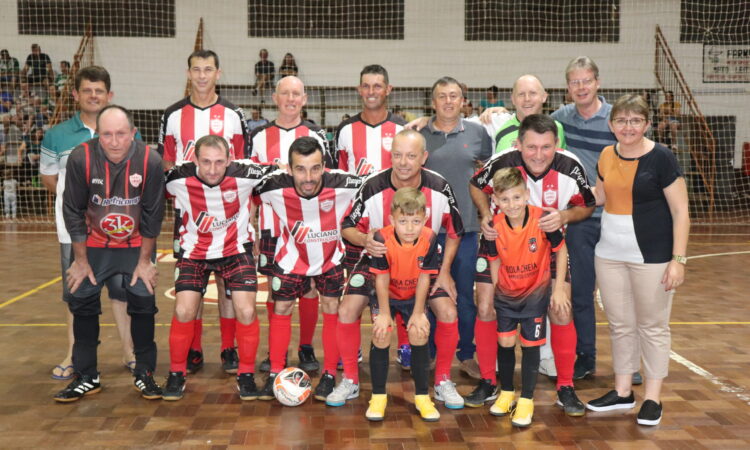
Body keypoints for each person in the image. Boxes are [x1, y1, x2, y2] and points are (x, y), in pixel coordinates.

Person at [329, 129, 464, 411]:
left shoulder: (440, 186)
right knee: (346, 309)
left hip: (423, 263)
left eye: (411, 156)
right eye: (398, 155)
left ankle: (441, 381)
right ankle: (351, 380)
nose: (403, 162)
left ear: (424, 158)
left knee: (449, 311)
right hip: (377, 261)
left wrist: (445, 271)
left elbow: (455, 231)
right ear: (391, 155)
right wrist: (366, 239)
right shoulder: (371, 185)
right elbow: (347, 228)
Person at [469, 114, 594, 414]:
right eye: (531, 147)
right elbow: (476, 185)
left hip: (548, 249)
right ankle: (489, 381)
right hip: (501, 247)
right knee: (485, 305)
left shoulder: (570, 167)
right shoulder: (502, 161)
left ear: (556, 145)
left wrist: (564, 217)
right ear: (519, 144)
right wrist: (485, 212)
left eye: (546, 147)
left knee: (561, 309)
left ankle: (565, 387)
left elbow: (587, 205)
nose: (538, 154)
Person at [586, 94, 689, 426]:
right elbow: (600, 195)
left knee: (652, 326)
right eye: (621, 120)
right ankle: (622, 392)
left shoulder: (662, 157)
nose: (627, 127)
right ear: (611, 124)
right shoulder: (605, 154)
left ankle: (653, 398)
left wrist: (678, 260)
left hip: (653, 256)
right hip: (610, 254)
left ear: (646, 123)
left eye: (634, 121)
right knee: (620, 325)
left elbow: (681, 212)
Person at [54, 105, 165, 402]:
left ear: (133, 133)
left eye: (120, 134)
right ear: (98, 136)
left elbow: (154, 214)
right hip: (94, 245)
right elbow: (73, 210)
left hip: (134, 245)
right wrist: (79, 260)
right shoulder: (81, 158)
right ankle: (87, 376)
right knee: (81, 298)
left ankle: (145, 373)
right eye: (106, 135)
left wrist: (145, 262)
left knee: (143, 300)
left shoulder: (150, 161)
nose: (114, 141)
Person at [40, 68, 140, 382]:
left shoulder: (125, 132)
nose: (93, 95)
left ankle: (130, 352)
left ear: (109, 95)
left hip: (120, 232)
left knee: (123, 292)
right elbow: (49, 178)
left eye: (99, 90)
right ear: (76, 95)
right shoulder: (57, 135)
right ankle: (74, 355)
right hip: (75, 232)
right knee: (77, 291)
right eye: (87, 90)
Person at [158, 49, 251, 376]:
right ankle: (193, 350)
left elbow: (243, 168)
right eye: (196, 69)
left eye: (207, 69)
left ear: (218, 73)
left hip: (227, 220)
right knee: (190, 288)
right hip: (189, 220)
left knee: (229, 289)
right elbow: (167, 164)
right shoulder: (171, 115)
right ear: (188, 73)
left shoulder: (233, 114)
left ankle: (229, 348)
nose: (201, 75)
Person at [163, 135, 275, 401]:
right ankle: (177, 372)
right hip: (194, 252)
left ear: (230, 159)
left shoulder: (247, 173)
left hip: (235, 250)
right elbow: (145, 192)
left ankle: (246, 374)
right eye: (206, 162)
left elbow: (283, 171)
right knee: (183, 308)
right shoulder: (176, 177)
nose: (212, 169)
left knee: (246, 309)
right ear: (194, 159)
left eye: (219, 162)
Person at [253, 136, 362, 402]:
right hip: (291, 257)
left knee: (331, 307)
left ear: (324, 165)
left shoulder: (344, 183)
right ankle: (274, 373)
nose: (309, 177)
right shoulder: (272, 186)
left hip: (331, 258)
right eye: (300, 169)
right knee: (281, 308)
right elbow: (238, 182)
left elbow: (378, 182)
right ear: (288, 169)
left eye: (315, 168)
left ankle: (328, 374)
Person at [550, 56, 624, 383]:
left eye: (586, 80)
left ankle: (628, 362)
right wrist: (492, 113)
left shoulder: (615, 120)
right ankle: (586, 356)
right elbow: (526, 121)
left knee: (621, 294)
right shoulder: (560, 119)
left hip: (617, 217)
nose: (581, 87)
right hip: (580, 218)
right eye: (574, 82)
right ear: (568, 87)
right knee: (580, 291)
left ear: (598, 82)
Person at [250, 75, 331, 373]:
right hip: (272, 227)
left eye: (296, 94)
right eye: (285, 93)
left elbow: (328, 181)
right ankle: (277, 351)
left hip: (309, 228)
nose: (291, 99)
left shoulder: (317, 136)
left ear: (305, 99)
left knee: (310, 287)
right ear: (275, 98)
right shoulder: (258, 137)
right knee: (275, 289)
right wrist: (252, 223)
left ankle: (306, 347)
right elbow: (250, 186)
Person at [334, 64, 410, 368]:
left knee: (402, 288)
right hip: (358, 229)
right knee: (355, 291)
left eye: (377, 86)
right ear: (358, 90)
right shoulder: (345, 130)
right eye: (366, 86)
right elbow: (339, 177)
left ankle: (406, 348)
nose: (371, 92)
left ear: (388, 90)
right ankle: (351, 352)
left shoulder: (402, 129)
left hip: (399, 227)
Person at [482, 167, 569, 427]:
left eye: (517, 198)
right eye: (505, 199)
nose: (512, 204)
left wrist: (560, 287)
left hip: (535, 294)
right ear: (496, 201)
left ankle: (527, 399)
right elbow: (493, 259)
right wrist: (497, 288)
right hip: (507, 295)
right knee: (506, 343)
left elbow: (561, 251)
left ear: (527, 195)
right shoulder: (494, 227)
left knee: (531, 345)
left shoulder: (543, 220)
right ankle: (507, 392)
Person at [420, 76, 493, 380]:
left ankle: (465, 354)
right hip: (425, 230)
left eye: (454, 96)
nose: (448, 101)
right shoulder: (419, 134)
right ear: (433, 102)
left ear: (463, 101)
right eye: (442, 96)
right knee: (428, 293)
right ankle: (432, 353)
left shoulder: (478, 133)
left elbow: (489, 171)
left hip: (466, 229)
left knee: (464, 295)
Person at [367, 187, 449, 422]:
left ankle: (423, 397)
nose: (410, 228)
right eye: (403, 221)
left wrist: (418, 313)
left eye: (415, 221)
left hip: (413, 294)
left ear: (424, 219)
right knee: (381, 333)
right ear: (392, 220)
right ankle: (379, 396)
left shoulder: (430, 238)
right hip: (386, 293)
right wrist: (383, 313)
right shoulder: (381, 238)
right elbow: (381, 278)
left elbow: (425, 276)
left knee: (419, 332)